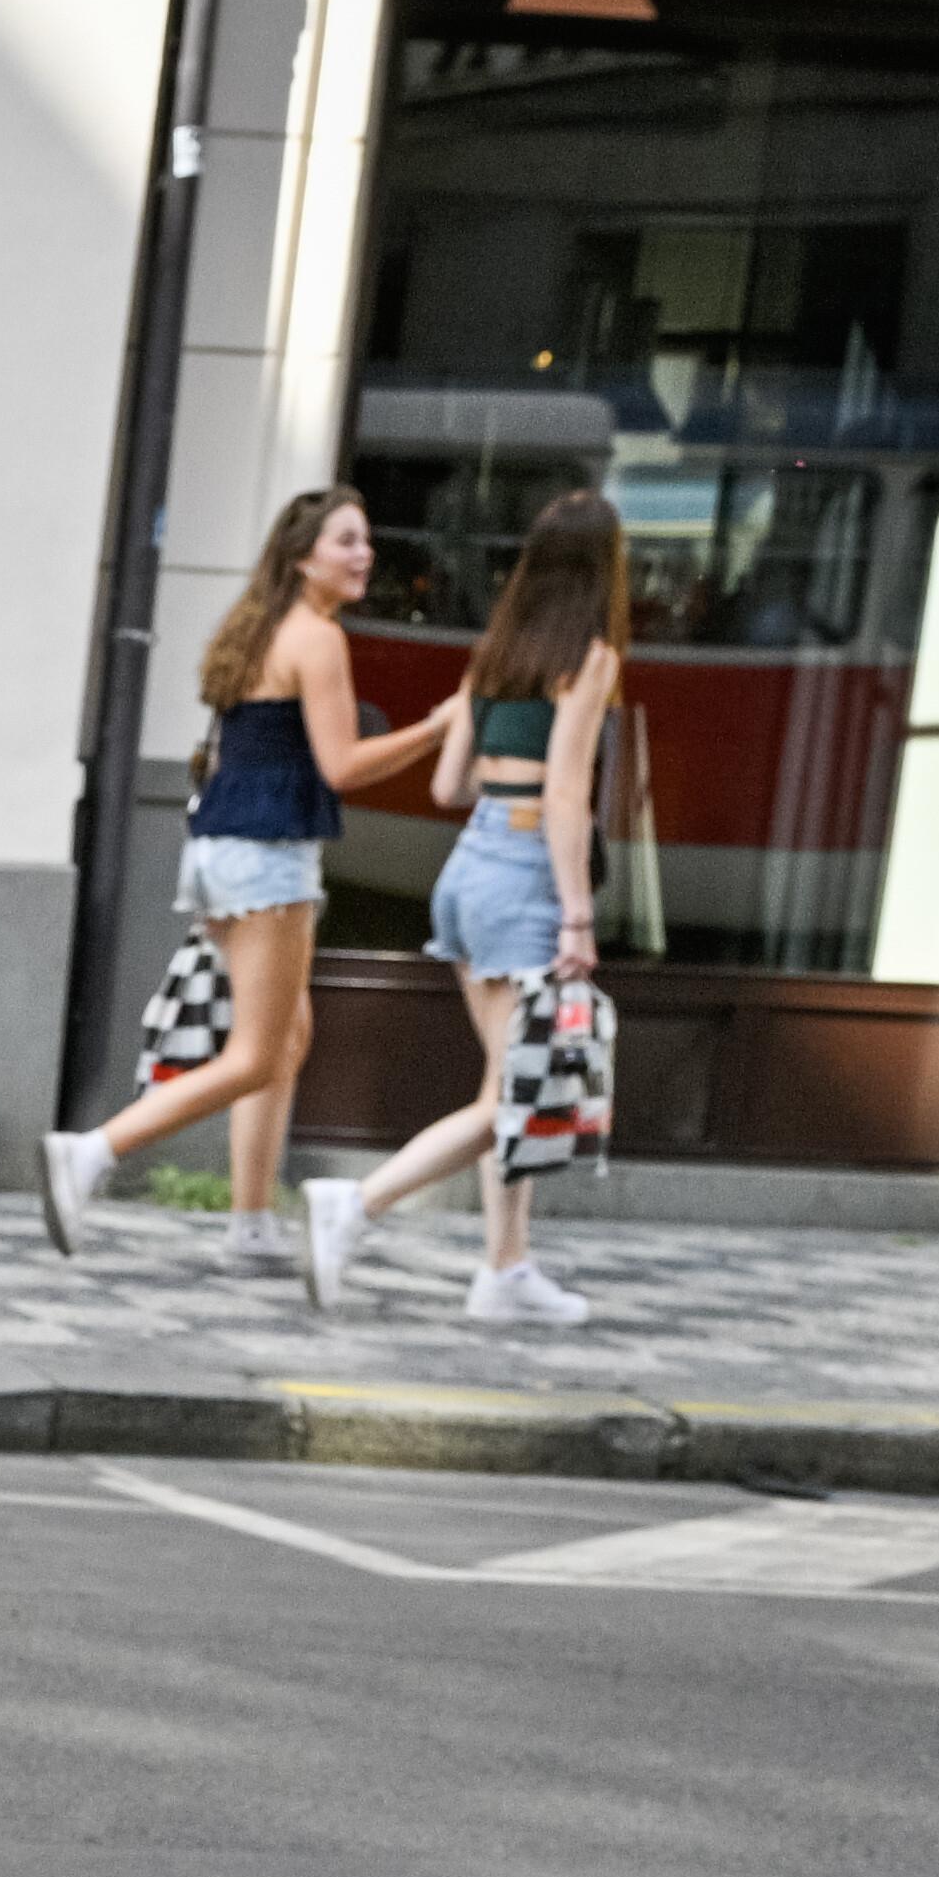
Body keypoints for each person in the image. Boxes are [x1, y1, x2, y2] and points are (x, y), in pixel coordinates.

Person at [38, 485, 446, 1272]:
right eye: (346, 542)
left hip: (221, 849)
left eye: (365, 541)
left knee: (286, 1037)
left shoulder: (256, 629)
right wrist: (435, 729)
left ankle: (250, 1222)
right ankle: (90, 1153)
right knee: (258, 1053)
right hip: (268, 857)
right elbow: (342, 765)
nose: (364, 555)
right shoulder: (317, 638)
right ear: (303, 558)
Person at [305, 487, 628, 1327]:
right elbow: (566, 795)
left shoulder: (491, 653)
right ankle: (358, 1205)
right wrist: (577, 916)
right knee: (511, 1097)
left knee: (505, 1080)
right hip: (523, 878)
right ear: (604, 569)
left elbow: (449, 785)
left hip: (470, 865)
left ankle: (505, 1270)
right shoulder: (590, 659)